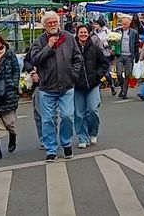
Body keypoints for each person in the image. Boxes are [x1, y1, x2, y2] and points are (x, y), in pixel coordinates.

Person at [30, 11, 83, 162]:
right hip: (47, 88)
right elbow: (34, 59)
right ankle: (51, 149)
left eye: (55, 22)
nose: (53, 25)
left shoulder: (68, 38)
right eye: (49, 23)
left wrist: (74, 74)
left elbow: (78, 58)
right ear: (44, 26)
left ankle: (66, 143)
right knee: (47, 120)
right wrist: (48, 46)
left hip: (66, 86)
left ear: (59, 23)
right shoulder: (39, 41)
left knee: (67, 116)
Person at [74, 25, 109, 149]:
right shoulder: (73, 49)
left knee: (93, 110)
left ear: (89, 34)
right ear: (77, 34)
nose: (83, 34)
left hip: (92, 84)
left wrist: (97, 75)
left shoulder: (94, 49)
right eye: (80, 32)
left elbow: (104, 64)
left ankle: (93, 132)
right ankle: (82, 137)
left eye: (85, 32)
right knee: (79, 113)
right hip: (77, 86)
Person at [115, 17, 140, 99]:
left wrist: (137, 56)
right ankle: (122, 89)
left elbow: (136, 44)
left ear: (129, 24)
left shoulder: (134, 32)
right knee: (118, 73)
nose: (124, 26)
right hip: (120, 55)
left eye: (125, 24)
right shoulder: (118, 31)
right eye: (123, 24)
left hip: (129, 56)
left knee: (127, 74)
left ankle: (124, 92)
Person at [92, 19, 116, 96]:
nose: (94, 26)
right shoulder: (94, 33)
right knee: (96, 73)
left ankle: (112, 85)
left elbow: (112, 41)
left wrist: (103, 44)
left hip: (105, 54)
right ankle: (97, 92)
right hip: (96, 55)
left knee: (106, 74)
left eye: (96, 24)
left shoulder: (107, 31)